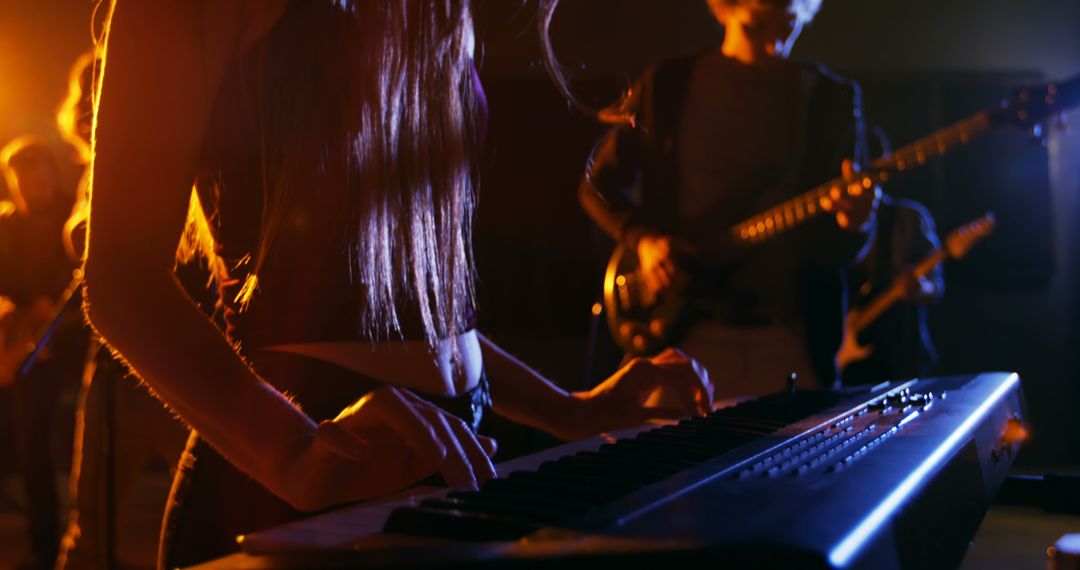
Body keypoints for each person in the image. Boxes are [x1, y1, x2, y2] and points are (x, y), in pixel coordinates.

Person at [81, 1, 713, 567]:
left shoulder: (442, 10)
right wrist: (292, 453)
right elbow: (119, 279)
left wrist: (572, 409)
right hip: (287, 489)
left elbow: (414, 323)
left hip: (452, 461)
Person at [572, 0, 879, 399]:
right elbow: (598, 184)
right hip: (681, 335)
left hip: (788, 342)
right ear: (722, 9)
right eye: (758, 25)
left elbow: (841, 250)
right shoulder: (668, 84)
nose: (773, 44)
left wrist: (856, 222)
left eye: (787, 25)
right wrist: (643, 241)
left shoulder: (830, 99)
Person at [55, 51, 192, 570]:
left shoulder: (171, 159)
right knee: (92, 525)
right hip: (113, 369)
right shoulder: (97, 171)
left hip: (174, 366)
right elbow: (80, 241)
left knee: (210, 510)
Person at [0, 136, 84, 570]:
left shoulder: (76, 213)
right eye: (20, 180)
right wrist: (16, 309)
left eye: (36, 178)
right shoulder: (8, 224)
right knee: (32, 447)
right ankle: (46, 544)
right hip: (28, 354)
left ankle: (85, 541)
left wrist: (52, 309)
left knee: (87, 449)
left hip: (75, 346)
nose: (29, 188)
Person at [840, 194, 944, 383]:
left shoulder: (908, 217)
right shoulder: (832, 224)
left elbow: (935, 285)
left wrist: (919, 289)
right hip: (848, 366)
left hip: (902, 354)